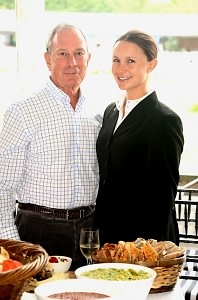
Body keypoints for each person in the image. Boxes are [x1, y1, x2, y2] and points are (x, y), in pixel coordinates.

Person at [0, 22, 102, 270]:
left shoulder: (98, 114)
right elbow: (2, 186)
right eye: (62, 54)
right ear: (48, 59)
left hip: (88, 233)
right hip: (38, 231)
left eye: (79, 53)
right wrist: (13, 246)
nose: (72, 62)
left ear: (88, 58)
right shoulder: (22, 112)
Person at [93, 29, 184, 247]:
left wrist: (141, 251)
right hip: (108, 238)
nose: (120, 69)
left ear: (151, 65)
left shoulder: (164, 120)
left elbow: (162, 199)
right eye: (116, 60)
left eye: (130, 61)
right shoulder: (111, 112)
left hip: (144, 244)